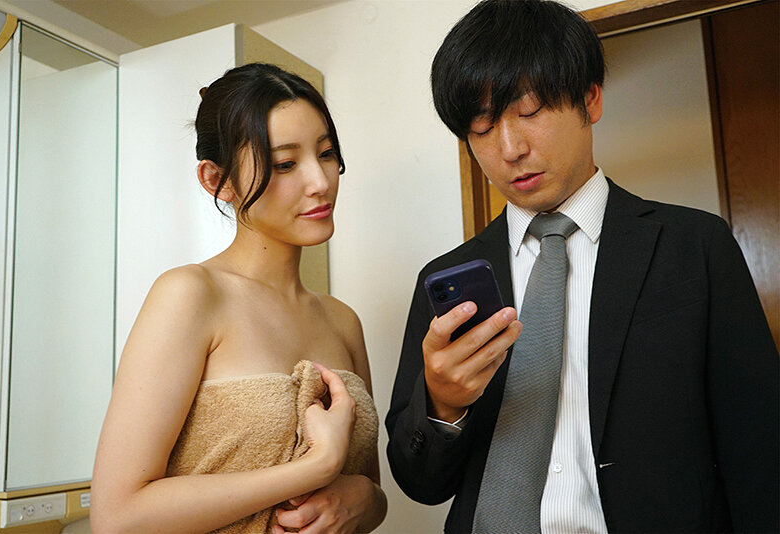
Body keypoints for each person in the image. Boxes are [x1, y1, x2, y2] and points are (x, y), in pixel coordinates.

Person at [385, 1, 779, 532]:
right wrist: (442, 406)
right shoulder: (449, 278)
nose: (510, 148)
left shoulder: (695, 247)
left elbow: (760, 448)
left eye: (530, 112)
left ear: (590, 100)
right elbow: (420, 484)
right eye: (481, 127)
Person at [92, 63, 387, 534]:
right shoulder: (190, 295)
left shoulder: (342, 320)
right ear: (217, 180)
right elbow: (116, 518)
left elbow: (369, 488)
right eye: (285, 164)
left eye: (327, 153)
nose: (321, 181)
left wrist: (367, 500)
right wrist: (317, 466)